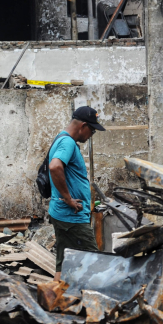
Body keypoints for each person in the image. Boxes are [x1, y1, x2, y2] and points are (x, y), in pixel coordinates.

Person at [48, 106, 105, 279]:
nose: (91, 135)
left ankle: (54, 301)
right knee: (94, 263)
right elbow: (55, 167)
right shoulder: (68, 143)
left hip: (63, 214)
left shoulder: (61, 138)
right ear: (83, 126)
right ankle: (95, 303)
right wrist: (69, 199)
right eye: (92, 131)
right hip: (72, 216)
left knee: (63, 263)